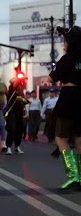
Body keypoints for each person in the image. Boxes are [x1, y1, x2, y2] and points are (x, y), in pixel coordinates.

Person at [47, 26, 81, 191]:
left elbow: (52, 77)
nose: (63, 44)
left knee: (61, 137)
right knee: (80, 137)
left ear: (70, 43)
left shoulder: (67, 59)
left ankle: (74, 176)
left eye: (65, 41)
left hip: (69, 97)